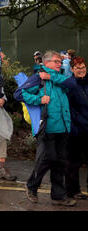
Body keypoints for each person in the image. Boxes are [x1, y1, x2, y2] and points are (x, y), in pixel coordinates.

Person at [20, 50, 75, 207]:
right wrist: (39, 99)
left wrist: (51, 76)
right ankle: (31, 186)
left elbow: (71, 84)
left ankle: (58, 196)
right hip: (47, 127)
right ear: (46, 62)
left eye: (60, 62)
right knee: (47, 159)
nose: (60, 64)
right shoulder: (37, 78)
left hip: (63, 126)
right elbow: (21, 94)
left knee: (60, 162)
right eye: (57, 62)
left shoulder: (59, 77)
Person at [65, 56, 88, 200]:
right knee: (74, 162)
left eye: (83, 67)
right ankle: (73, 190)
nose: (81, 70)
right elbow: (70, 109)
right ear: (72, 69)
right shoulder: (70, 85)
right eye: (78, 68)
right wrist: (81, 122)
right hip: (77, 130)